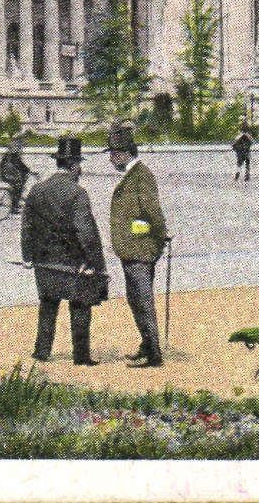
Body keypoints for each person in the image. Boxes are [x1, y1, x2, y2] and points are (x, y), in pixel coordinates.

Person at [20, 136, 106, 365]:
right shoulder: (77, 193)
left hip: (44, 262)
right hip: (71, 263)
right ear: (75, 166)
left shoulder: (37, 190)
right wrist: (95, 263)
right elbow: (85, 232)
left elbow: (27, 225)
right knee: (80, 307)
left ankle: (41, 352)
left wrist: (27, 256)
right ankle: (81, 356)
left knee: (48, 306)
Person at [107, 124, 169, 367]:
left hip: (140, 252)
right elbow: (140, 218)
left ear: (123, 154)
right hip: (133, 250)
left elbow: (152, 213)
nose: (111, 160)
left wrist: (158, 239)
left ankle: (153, 354)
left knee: (143, 301)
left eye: (112, 154)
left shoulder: (141, 176)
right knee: (136, 300)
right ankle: (146, 345)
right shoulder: (134, 175)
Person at [0, 136, 31, 215]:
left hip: (8, 173)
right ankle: (14, 207)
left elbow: (19, 164)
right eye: (21, 146)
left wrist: (26, 171)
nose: (22, 148)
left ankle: (16, 202)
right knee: (18, 187)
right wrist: (27, 170)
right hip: (8, 174)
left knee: (20, 184)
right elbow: (18, 163)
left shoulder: (12, 153)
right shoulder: (13, 153)